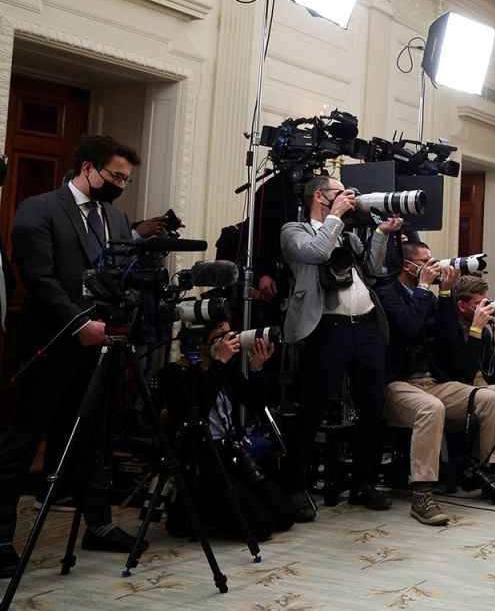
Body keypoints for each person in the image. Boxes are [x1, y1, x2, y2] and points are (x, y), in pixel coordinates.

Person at [0, 136, 151, 577]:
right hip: (51, 346)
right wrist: (79, 324)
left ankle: (98, 525)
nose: (121, 184)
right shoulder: (40, 208)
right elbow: (40, 278)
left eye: (126, 178)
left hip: (102, 348)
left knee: (93, 442)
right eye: (116, 176)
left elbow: (121, 278)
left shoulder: (118, 219)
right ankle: (1, 537)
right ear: (88, 168)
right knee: (24, 441)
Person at [279, 174, 403, 521]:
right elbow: (318, 253)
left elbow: (375, 270)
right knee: (312, 409)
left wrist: (381, 233)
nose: (349, 198)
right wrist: (336, 216)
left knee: (371, 407)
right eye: (339, 193)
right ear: (320, 196)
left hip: (365, 327)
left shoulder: (346, 234)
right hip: (326, 329)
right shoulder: (294, 230)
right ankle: (295, 487)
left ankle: (363, 482)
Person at [378, 242, 495, 523]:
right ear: (408, 265)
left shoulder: (432, 299)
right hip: (396, 383)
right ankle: (422, 494)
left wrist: (444, 291)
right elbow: (408, 327)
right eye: (425, 261)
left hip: (432, 381)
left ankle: (490, 472)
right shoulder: (387, 295)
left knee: (489, 398)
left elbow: (446, 337)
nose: (431, 265)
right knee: (430, 408)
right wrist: (423, 288)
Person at [156, 324, 294, 542]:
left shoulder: (225, 370)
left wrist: (256, 368)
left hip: (231, 453)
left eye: (230, 334)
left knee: (285, 515)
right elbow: (197, 410)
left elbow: (255, 403)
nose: (230, 339)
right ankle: (194, 512)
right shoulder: (173, 374)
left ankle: (216, 509)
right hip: (202, 458)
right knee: (261, 527)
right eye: (220, 336)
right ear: (201, 344)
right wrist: (218, 363)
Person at [420, 273, 495, 498]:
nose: (485, 307)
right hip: (453, 389)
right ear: (462, 306)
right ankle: (492, 467)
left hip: (477, 389)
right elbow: (462, 377)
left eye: (487, 301)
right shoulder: (450, 327)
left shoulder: (485, 329)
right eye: (479, 303)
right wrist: (475, 331)